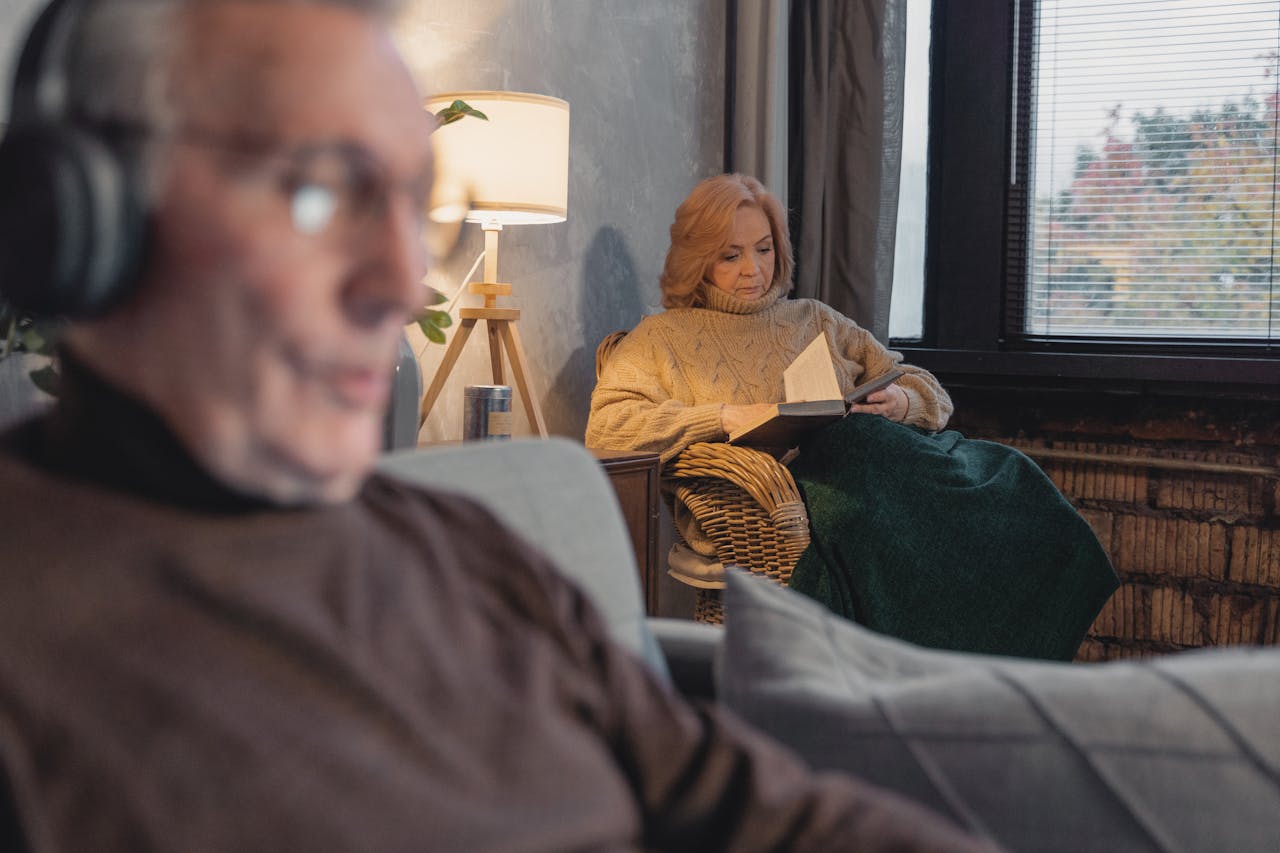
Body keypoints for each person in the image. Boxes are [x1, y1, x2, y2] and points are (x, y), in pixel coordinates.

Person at [0, 0, 998, 849]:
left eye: (412, 207)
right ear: (88, 220)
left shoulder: (469, 550)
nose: (398, 282)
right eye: (317, 190)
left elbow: (759, 809)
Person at [587, 174, 1118, 660]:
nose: (754, 269)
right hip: (802, 492)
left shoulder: (813, 317)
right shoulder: (661, 338)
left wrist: (902, 402)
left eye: (765, 249)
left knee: (1013, 486)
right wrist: (728, 416)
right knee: (882, 495)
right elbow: (609, 427)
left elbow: (919, 382)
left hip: (892, 463)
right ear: (697, 260)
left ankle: (1002, 662)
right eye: (731, 255)